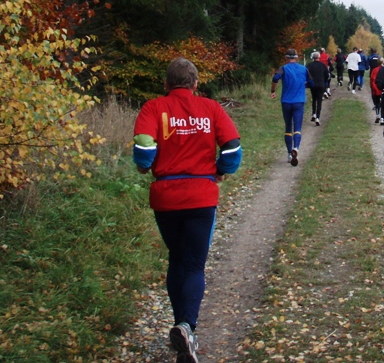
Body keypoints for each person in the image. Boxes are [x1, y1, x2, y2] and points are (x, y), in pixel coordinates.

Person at [133, 58, 243, 363]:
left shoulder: (153, 108)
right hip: (201, 196)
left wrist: (144, 165)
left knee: (177, 258)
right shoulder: (211, 109)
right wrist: (222, 170)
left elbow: (144, 145)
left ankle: (180, 327)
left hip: (166, 197)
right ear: (195, 84)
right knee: (194, 264)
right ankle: (187, 327)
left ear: (166, 84)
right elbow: (233, 146)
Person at [270, 48, 312, 166]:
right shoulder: (304, 69)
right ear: (297, 57)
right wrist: (303, 85)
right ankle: (296, 148)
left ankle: (289, 154)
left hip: (286, 102)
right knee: (297, 128)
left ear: (286, 58)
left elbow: (275, 78)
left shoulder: (283, 68)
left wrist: (273, 90)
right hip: (299, 101)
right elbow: (312, 83)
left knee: (288, 127)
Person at [306, 51, 329, 126]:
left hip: (313, 85)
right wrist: (325, 82)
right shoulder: (323, 65)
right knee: (319, 101)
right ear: (319, 57)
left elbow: (306, 74)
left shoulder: (309, 65)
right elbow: (327, 75)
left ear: (312, 57)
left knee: (314, 99)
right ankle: (318, 118)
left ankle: (313, 114)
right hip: (321, 85)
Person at [369, 56, 383, 125]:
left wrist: (373, 87)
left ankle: (378, 114)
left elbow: (372, 79)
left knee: (377, 103)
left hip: (375, 89)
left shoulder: (374, 70)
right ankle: (383, 118)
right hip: (383, 90)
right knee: (383, 104)